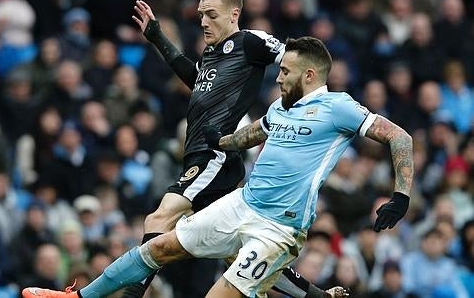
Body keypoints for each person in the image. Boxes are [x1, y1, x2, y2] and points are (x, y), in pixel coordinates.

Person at [23, 36, 412, 297]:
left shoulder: (338, 107)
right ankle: (79, 296)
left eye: (285, 72)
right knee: (159, 245)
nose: (277, 78)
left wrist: (400, 195)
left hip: (279, 228)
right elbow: (256, 133)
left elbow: (400, 137)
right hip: (242, 204)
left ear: (310, 75)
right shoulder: (282, 106)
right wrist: (220, 141)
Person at [24, 0, 341, 298]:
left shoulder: (252, 41)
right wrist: (159, 39)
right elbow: (197, 80)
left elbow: (298, 61)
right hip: (198, 155)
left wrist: (311, 107)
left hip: (214, 155)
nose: (203, 21)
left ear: (234, 14)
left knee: (161, 216)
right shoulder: (213, 52)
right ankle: (318, 296)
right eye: (201, 14)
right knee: (238, 251)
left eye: (212, 14)